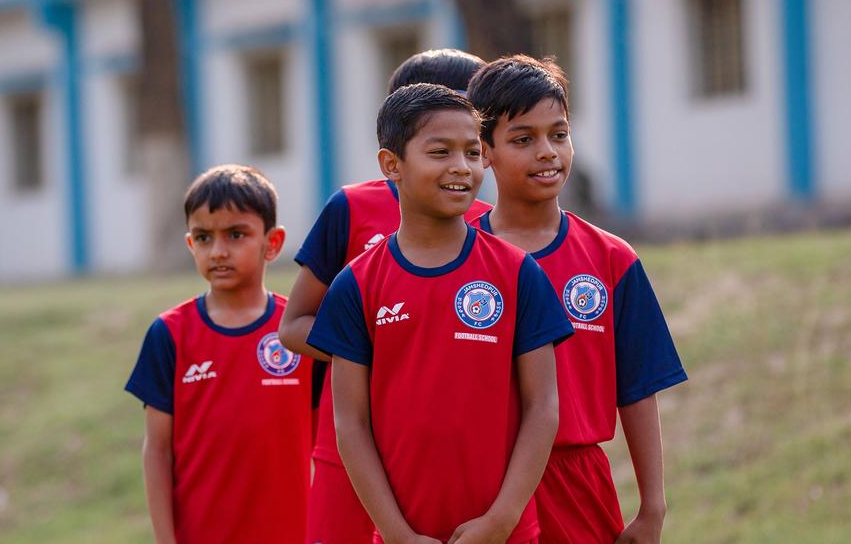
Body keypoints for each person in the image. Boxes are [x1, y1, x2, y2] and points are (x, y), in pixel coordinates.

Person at [308, 83, 574, 543]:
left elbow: (543, 406)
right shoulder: (356, 284)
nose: (461, 167)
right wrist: (398, 534)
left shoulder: (517, 273)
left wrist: (502, 519)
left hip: (507, 533)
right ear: (392, 165)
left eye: (472, 152)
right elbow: (349, 424)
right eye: (440, 152)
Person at [466, 55, 687, 543]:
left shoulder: (612, 259)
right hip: (477, 483)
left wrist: (653, 507)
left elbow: (637, 387)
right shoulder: (456, 255)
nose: (547, 151)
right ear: (484, 151)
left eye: (559, 134)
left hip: (577, 483)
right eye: (523, 139)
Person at [278, 48, 490, 544]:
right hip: (349, 448)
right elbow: (295, 325)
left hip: (449, 462)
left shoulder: (489, 227)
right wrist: (388, 362)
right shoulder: (352, 207)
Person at [125, 165, 312, 543]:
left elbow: (331, 444)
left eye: (236, 234)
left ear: (272, 243)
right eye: (204, 237)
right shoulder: (170, 334)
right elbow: (157, 452)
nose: (219, 250)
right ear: (191, 245)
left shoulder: (300, 332)